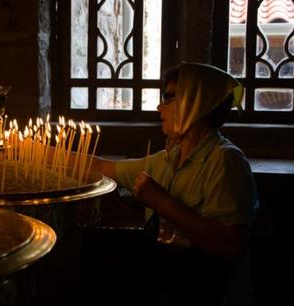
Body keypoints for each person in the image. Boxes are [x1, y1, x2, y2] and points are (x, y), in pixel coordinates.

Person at [91, 62, 259, 306]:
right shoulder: (168, 159)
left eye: (168, 98)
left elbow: (231, 246)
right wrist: (39, 153)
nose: (159, 107)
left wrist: (161, 202)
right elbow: (101, 167)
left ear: (196, 101)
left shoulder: (225, 160)